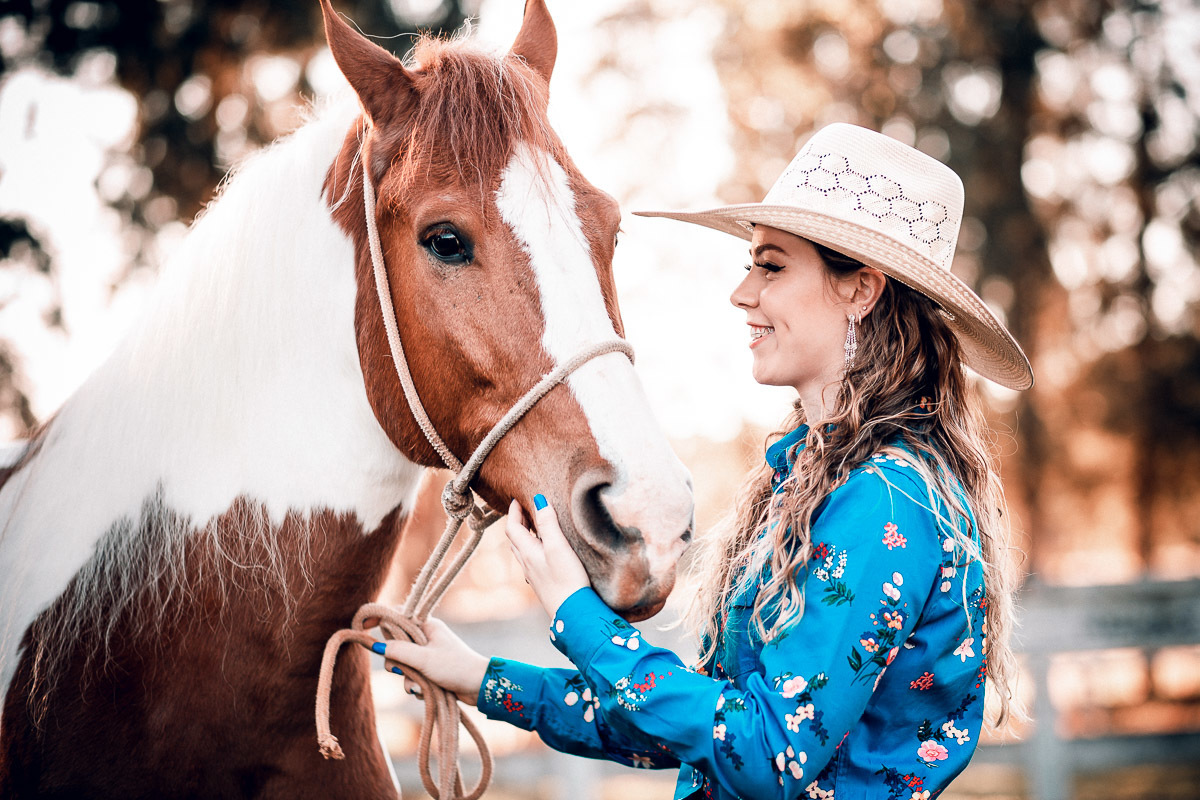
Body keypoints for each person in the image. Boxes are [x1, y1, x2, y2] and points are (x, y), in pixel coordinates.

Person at [373, 123, 1034, 800]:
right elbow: (700, 725)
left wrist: (575, 610)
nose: (742, 292)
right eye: (749, 265)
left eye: (771, 266)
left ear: (860, 290)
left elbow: (766, 754)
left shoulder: (885, 502)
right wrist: (485, 681)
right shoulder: (816, 482)